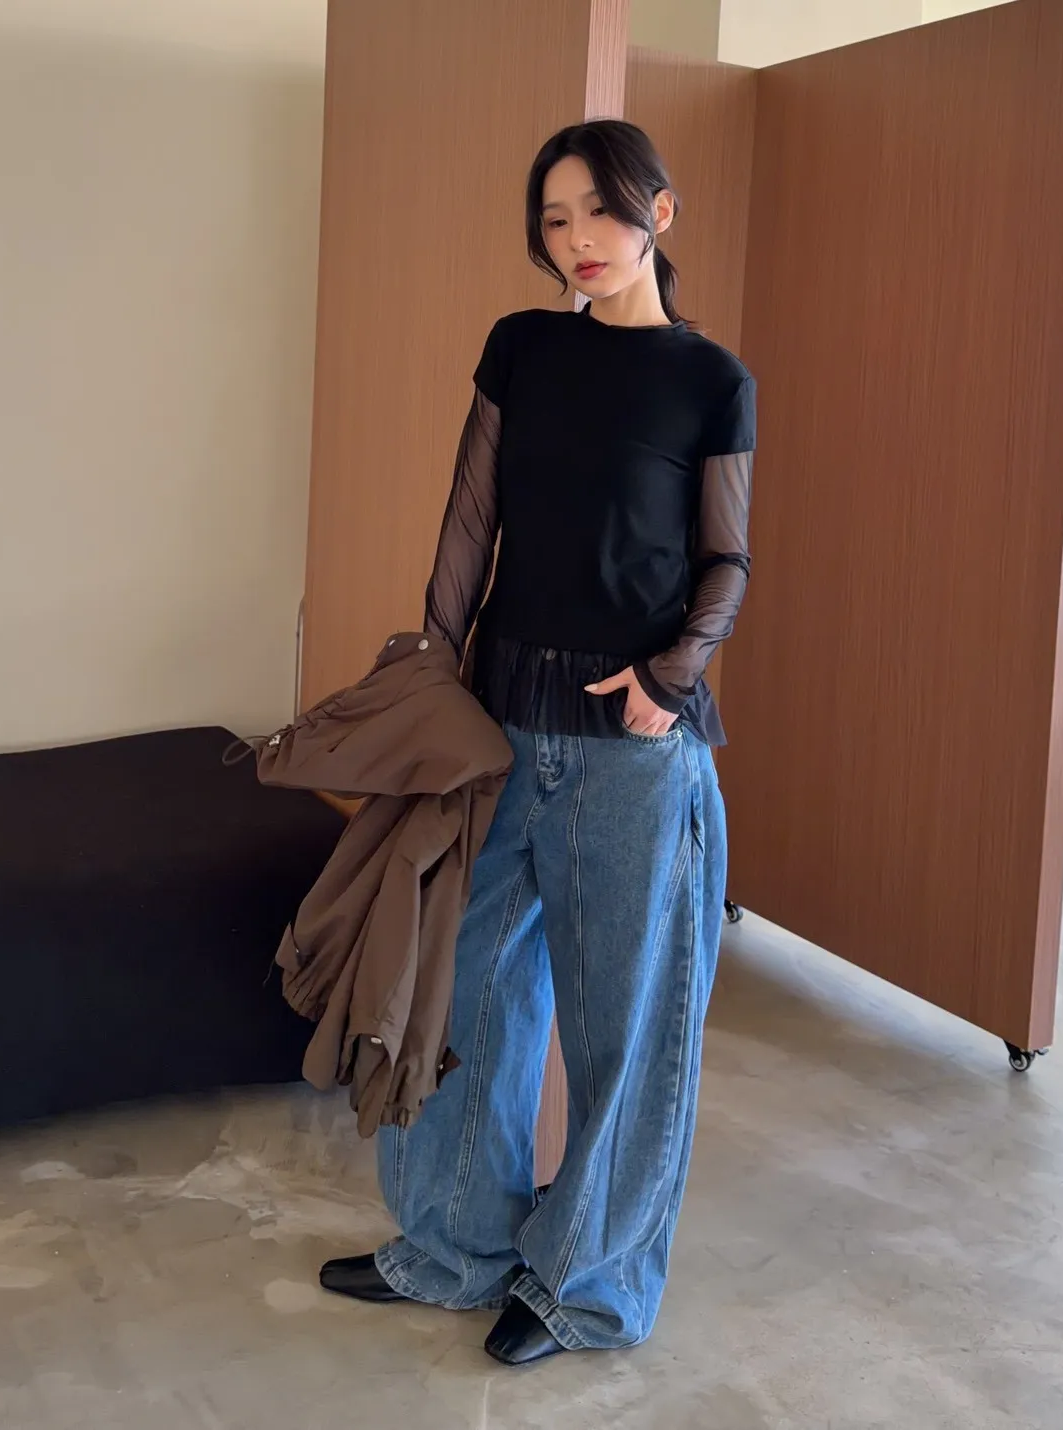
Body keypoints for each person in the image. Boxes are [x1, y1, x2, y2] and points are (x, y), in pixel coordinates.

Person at [319, 119, 756, 1365]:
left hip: (632, 750)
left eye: (600, 213)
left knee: (625, 1027)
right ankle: (452, 1247)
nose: (577, 241)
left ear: (658, 213)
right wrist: (433, 665)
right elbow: (470, 517)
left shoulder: (710, 379)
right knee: (463, 985)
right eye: (554, 220)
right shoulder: (522, 347)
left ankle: (584, 1289)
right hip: (503, 726)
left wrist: (672, 675)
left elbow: (726, 556)